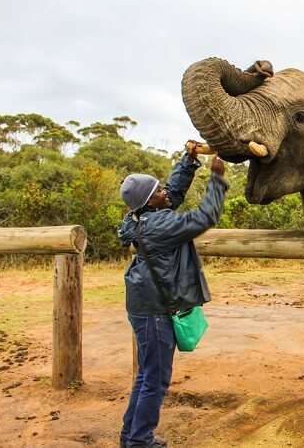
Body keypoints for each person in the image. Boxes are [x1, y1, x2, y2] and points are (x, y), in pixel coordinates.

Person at [116, 144, 228, 448]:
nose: (166, 192)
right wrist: (216, 180)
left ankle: (131, 436)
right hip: (153, 310)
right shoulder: (160, 225)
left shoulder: (139, 218)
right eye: (159, 191)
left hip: (144, 305)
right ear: (151, 202)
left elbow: (172, 195)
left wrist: (188, 162)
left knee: (146, 375)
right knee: (156, 379)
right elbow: (204, 218)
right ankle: (140, 440)